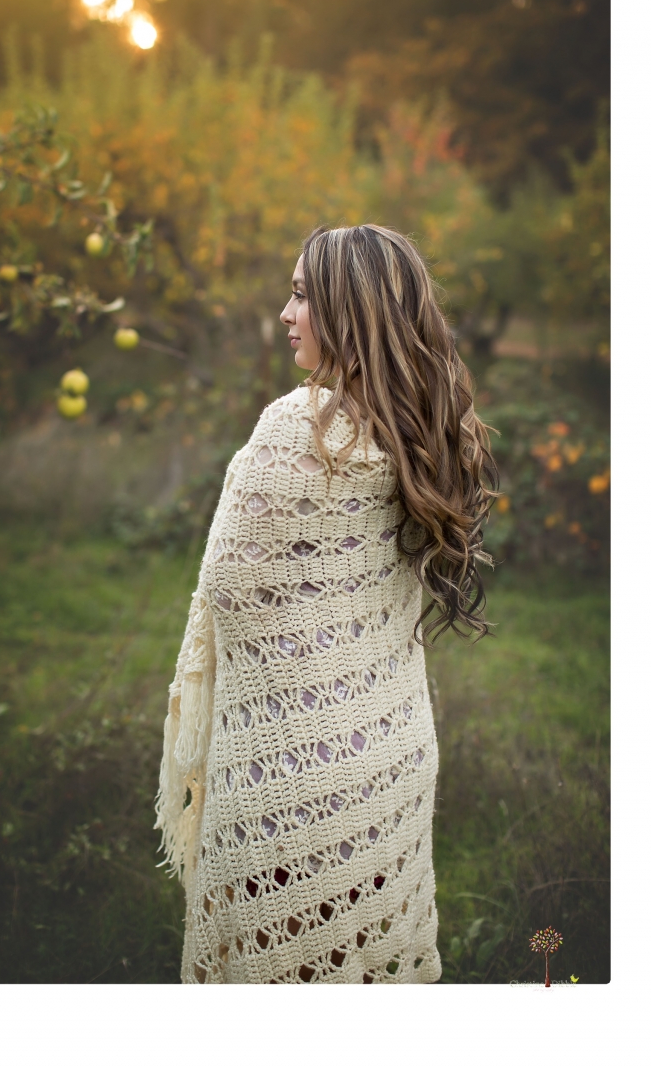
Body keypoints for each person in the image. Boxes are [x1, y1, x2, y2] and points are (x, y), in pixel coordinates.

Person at [155, 224, 498, 984]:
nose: (285, 313)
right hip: (388, 757)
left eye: (303, 295)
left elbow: (228, 593)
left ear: (353, 309)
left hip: (291, 774)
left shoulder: (298, 425)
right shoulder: (424, 431)